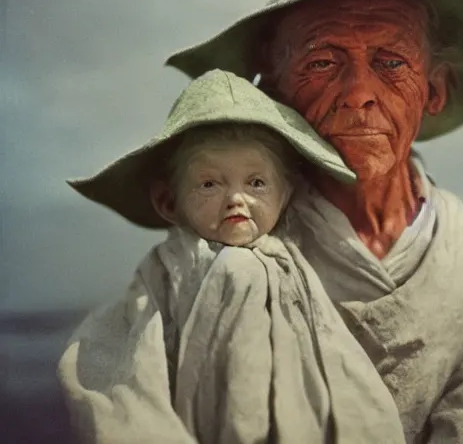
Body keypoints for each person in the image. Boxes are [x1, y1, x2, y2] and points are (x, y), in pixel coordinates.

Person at [165, 0, 463, 443]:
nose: (360, 92)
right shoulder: (229, 241)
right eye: (321, 61)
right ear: (275, 95)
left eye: (391, 62)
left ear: (434, 89)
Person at [58, 69, 406, 444]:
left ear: (284, 194)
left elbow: (343, 367)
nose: (235, 198)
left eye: (256, 182)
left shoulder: (298, 266)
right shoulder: (167, 275)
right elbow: (127, 377)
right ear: (168, 201)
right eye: (210, 184)